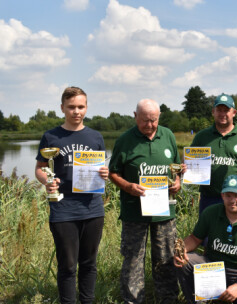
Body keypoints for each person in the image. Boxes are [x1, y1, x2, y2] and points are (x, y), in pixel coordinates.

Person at [35, 87, 109, 304]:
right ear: (62, 108)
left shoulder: (96, 137)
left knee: (89, 263)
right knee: (67, 265)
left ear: (86, 108)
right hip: (63, 210)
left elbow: (100, 170)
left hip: (93, 209)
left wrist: (105, 173)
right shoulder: (51, 136)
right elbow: (40, 168)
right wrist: (47, 181)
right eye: (71, 107)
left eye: (81, 107)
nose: (76, 111)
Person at [109, 99, 184, 304]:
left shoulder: (167, 135)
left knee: (166, 258)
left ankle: (167, 299)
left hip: (164, 211)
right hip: (134, 212)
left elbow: (177, 167)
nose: (150, 125)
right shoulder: (124, 141)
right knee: (133, 259)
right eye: (145, 121)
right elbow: (113, 173)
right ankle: (133, 300)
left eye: (153, 120)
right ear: (135, 116)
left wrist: (177, 181)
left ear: (159, 117)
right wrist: (128, 187)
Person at [175, 175, 237, 304]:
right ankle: (197, 300)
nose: (232, 200)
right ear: (222, 196)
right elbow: (194, 238)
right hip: (212, 266)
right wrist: (181, 251)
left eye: (236, 195)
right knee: (185, 261)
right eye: (228, 195)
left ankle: (232, 295)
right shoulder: (210, 212)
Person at [190, 93, 237, 214]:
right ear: (213, 111)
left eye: (226, 110)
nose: (223, 114)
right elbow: (189, 161)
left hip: (236, 198)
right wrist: (186, 167)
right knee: (208, 233)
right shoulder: (202, 136)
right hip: (209, 197)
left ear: (234, 112)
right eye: (219, 110)